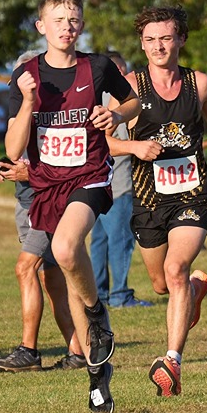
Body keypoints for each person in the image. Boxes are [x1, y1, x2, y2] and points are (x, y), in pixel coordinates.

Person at [5, 0, 141, 413]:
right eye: (59, 19)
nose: (68, 26)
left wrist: (116, 116)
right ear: (41, 26)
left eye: (74, 19)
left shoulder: (97, 66)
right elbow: (13, 149)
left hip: (90, 176)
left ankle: (97, 312)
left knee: (65, 249)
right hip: (46, 183)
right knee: (66, 263)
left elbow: (134, 102)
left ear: (80, 25)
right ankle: (98, 379)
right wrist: (29, 102)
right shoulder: (26, 75)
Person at [106, 6, 207, 398]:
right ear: (142, 43)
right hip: (149, 198)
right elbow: (103, 141)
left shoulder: (199, 84)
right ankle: (194, 291)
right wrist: (133, 145)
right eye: (150, 39)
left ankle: (172, 362)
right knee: (161, 284)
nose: (158, 46)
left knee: (175, 268)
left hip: (192, 195)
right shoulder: (129, 85)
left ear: (181, 39)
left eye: (166, 38)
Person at [0, 50, 86, 373]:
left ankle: (28, 350)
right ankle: (78, 351)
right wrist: (5, 166)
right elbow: (16, 149)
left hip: (51, 202)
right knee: (52, 279)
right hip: (26, 201)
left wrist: (27, 174)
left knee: (24, 268)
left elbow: (66, 167)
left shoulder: (61, 109)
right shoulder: (21, 106)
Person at [89, 52, 153, 309]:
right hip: (120, 182)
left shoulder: (94, 100)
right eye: (123, 72)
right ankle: (120, 295)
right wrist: (137, 147)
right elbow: (107, 144)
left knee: (100, 241)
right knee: (121, 240)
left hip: (98, 183)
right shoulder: (117, 103)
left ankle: (100, 293)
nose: (127, 79)